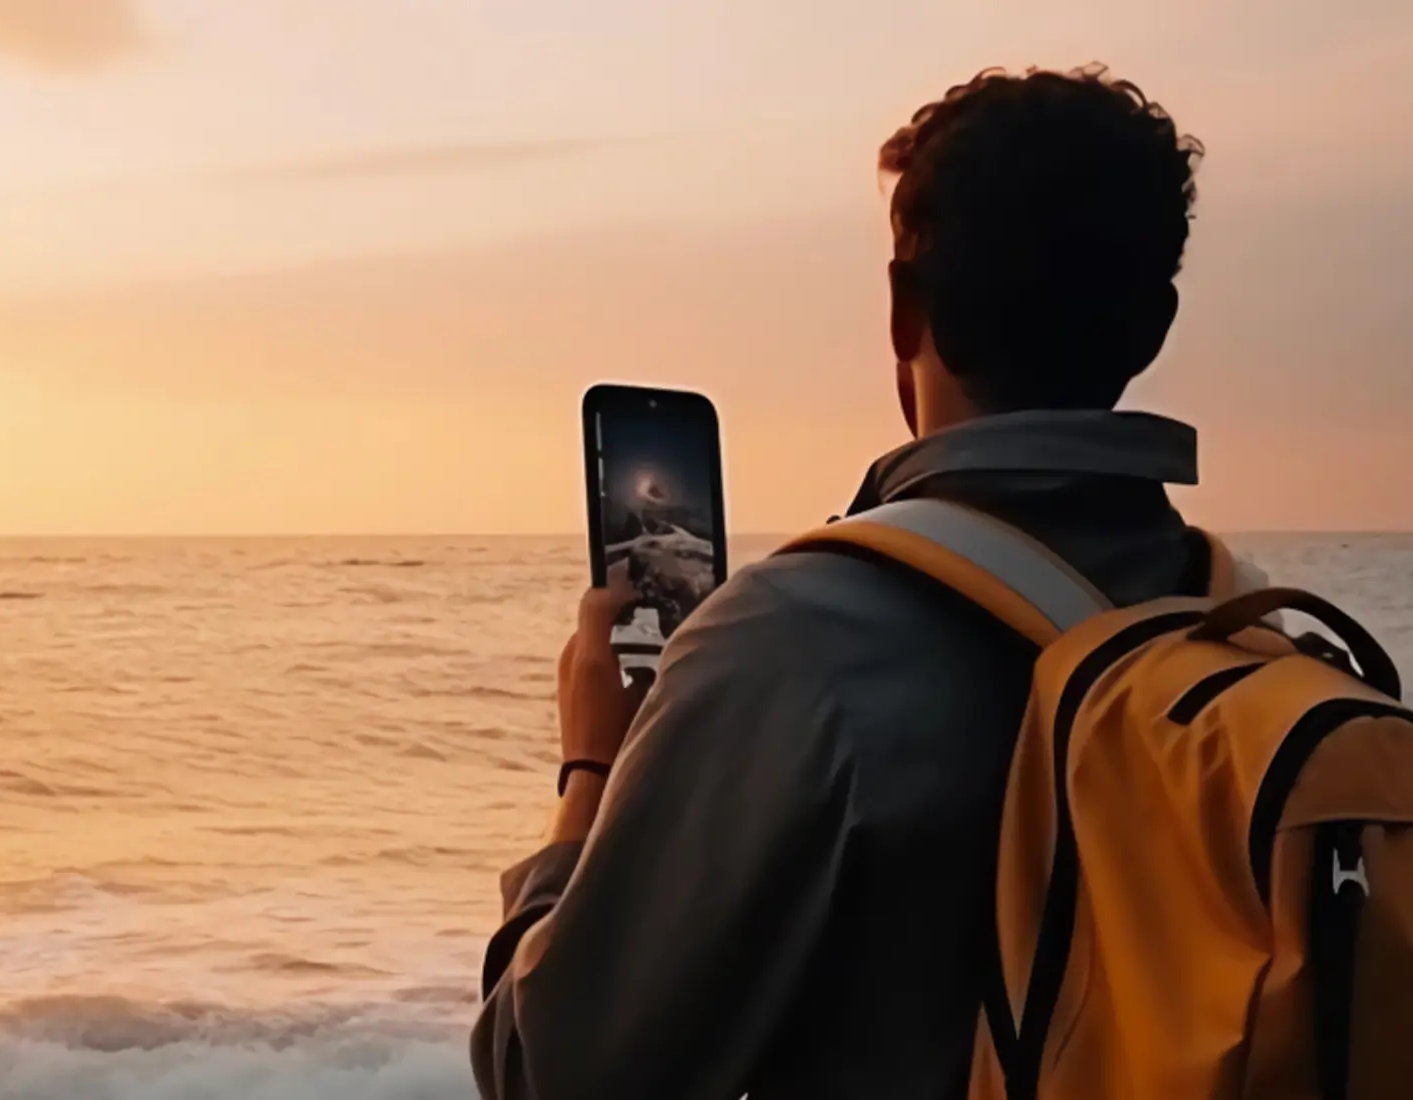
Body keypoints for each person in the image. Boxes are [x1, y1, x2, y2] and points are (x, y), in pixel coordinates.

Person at [473, 66, 1211, 1099]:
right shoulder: (1247, 631)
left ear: (907, 310)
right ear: (1154, 325)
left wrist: (593, 768)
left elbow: (550, 1071)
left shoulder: (799, 646)